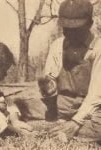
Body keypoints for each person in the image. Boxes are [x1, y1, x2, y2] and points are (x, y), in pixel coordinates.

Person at [38, 0, 101, 142]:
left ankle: (63, 128)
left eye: (76, 29)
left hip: (92, 109)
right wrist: (48, 88)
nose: (70, 33)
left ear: (89, 24)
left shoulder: (98, 48)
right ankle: (65, 127)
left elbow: (97, 95)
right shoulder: (57, 45)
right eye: (66, 28)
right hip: (62, 105)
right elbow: (50, 83)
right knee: (21, 106)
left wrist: (76, 122)